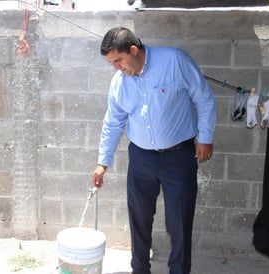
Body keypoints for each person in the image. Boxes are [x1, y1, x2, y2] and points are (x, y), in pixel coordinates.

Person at [92, 27, 216, 274]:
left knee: (178, 221)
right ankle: (140, 270)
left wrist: (205, 137)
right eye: (111, 63)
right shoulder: (119, 83)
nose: (116, 68)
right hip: (141, 157)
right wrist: (102, 162)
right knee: (139, 219)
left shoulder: (174, 61)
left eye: (118, 60)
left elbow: (203, 97)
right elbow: (113, 122)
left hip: (178, 156)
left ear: (134, 50)